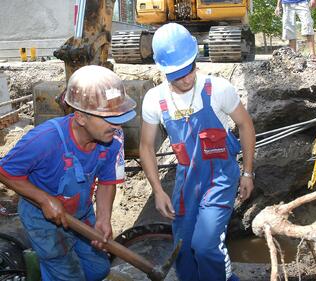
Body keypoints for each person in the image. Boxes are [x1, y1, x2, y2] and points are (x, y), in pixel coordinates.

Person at [140, 23, 256, 281]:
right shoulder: (154, 100)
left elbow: (245, 124)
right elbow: (146, 146)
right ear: (164, 71)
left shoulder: (217, 89)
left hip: (221, 177)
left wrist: (247, 173)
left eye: (190, 68)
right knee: (182, 248)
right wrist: (158, 191)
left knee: (205, 246)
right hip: (187, 182)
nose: (187, 78)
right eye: (178, 75)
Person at [0, 65, 136, 281]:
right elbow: (5, 172)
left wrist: (103, 218)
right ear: (81, 117)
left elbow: (107, 181)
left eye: (119, 116)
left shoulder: (114, 140)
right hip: (42, 220)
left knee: (98, 270)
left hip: (81, 213)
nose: (117, 125)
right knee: (66, 275)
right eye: (108, 117)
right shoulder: (44, 140)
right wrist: (44, 200)